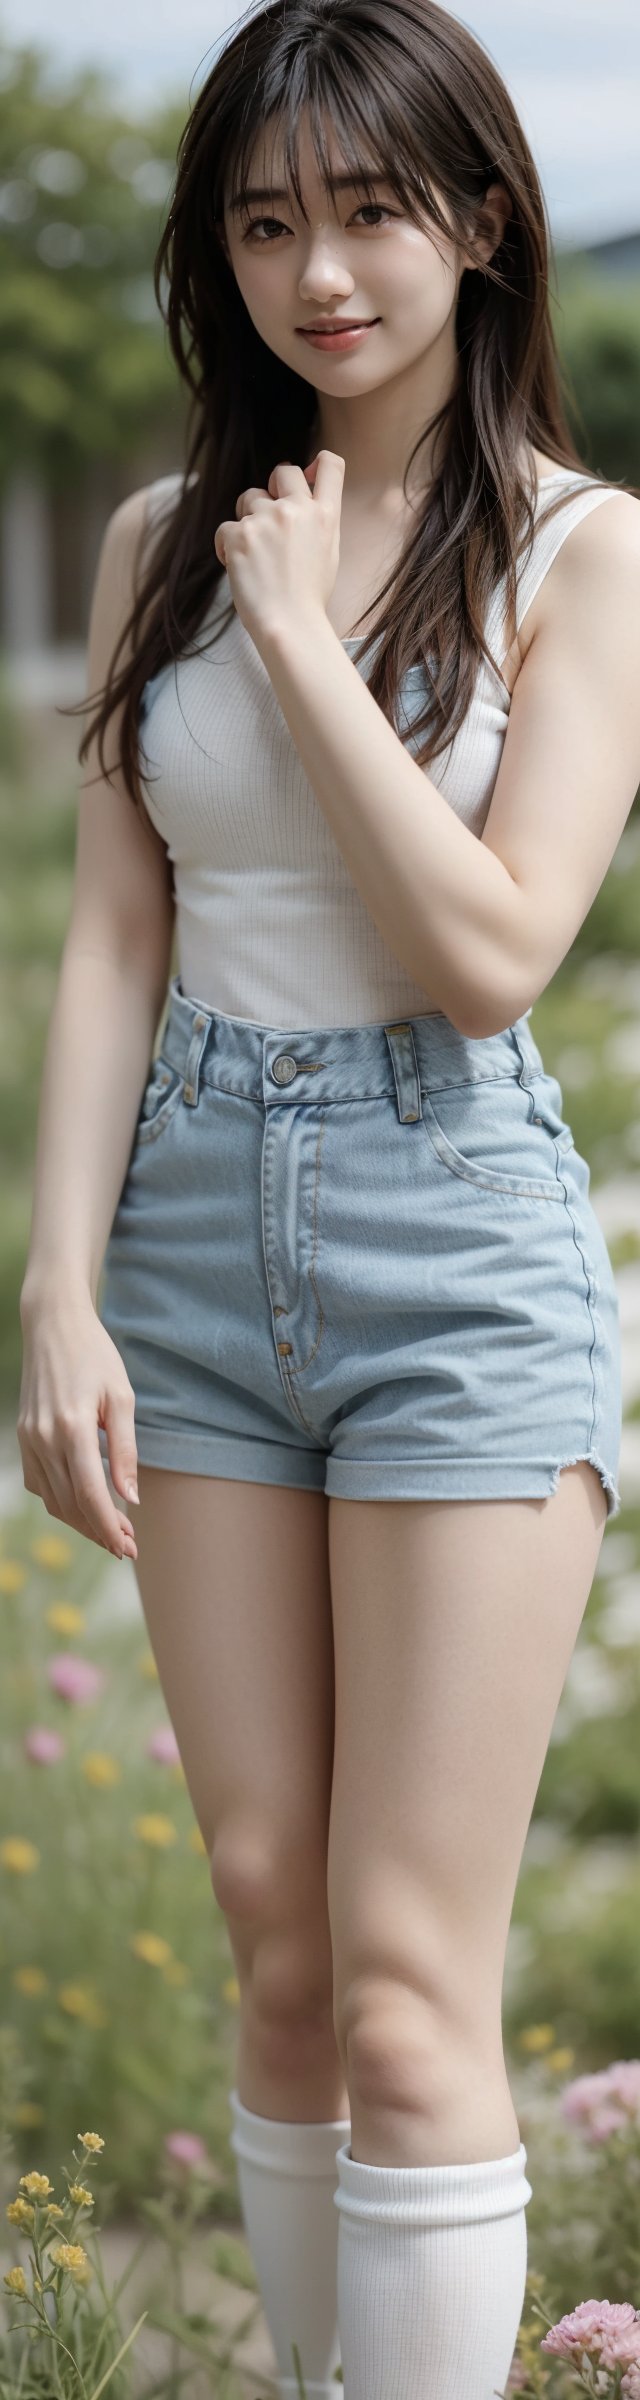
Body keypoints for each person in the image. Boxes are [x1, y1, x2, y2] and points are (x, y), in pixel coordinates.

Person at [17, 0, 640, 2392]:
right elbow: (106, 937)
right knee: (271, 1941)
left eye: (371, 209)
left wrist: (300, 647)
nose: (321, 272)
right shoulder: (156, 538)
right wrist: (55, 1290)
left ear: (479, 219)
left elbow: (488, 958)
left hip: (443, 1241)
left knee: (400, 1982)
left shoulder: (585, 557)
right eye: (265, 222)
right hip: (184, 1247)